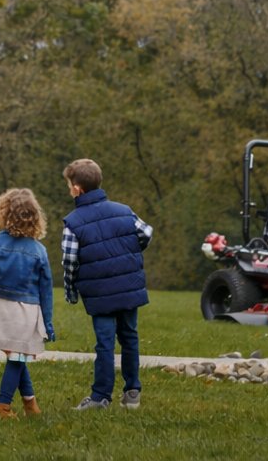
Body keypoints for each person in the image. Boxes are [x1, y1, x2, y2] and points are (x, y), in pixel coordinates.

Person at [61, 158, 153, 410]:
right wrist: (129, 252)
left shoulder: (73, 222)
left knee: (104, 343)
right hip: (127, 285)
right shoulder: (124, 210)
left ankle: (101, 396)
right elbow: (146, 233)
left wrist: (71, 291)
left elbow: (69, 261)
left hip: (99, 293)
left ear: (77, 188)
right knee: (130, 337)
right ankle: (132, 392)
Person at [0, 188, 55, 418]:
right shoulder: (39, 251)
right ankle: (3, 406)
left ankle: (30, 402)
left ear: (4, 213)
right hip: (25, 311)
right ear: (35, 216)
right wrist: (48, 322)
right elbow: (46, 290)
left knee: (18, 354)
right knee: (18, 356)